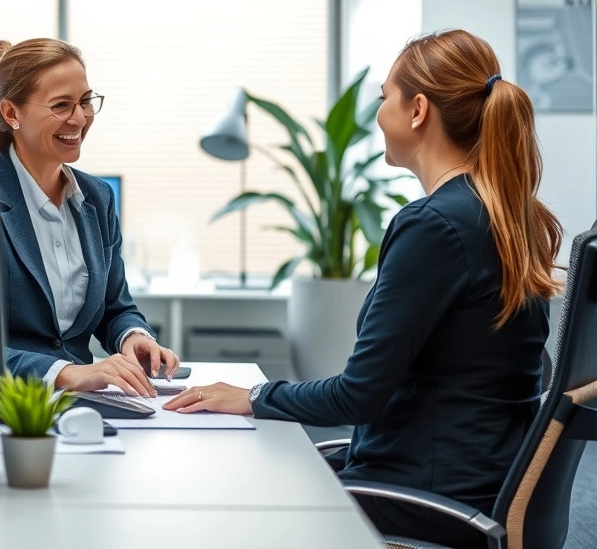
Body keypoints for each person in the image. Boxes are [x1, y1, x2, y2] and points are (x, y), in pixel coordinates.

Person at [164, 29, 562, 548]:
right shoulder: (506, 214)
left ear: (417, 110)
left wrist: (254, 395)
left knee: (234, 503)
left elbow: (360, 395)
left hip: (427, 498)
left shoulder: (435, 226)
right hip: (474, 484)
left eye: (383, 98)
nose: (378, 114)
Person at [0, 38, 178, 398]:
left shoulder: (98, 198)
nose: (80, 118)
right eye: (61, 105)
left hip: (85, 407)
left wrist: (133, 336)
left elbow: (115, 307)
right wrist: (64, 372)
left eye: (86, 102)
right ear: (11, 114)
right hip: (1, 409)